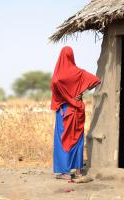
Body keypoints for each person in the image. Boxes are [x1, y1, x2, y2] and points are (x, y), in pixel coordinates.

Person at [51, 46, 101, 180]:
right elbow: (96, 80)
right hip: (77, 109)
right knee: (77, 139)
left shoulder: (57, 77)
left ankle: (64, 172)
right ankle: (78, 170)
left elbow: (56, 93)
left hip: (64, 111)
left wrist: (68, 98)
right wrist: (81, 91)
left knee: (63, 140)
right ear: (72, 56)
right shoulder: (79, 73)